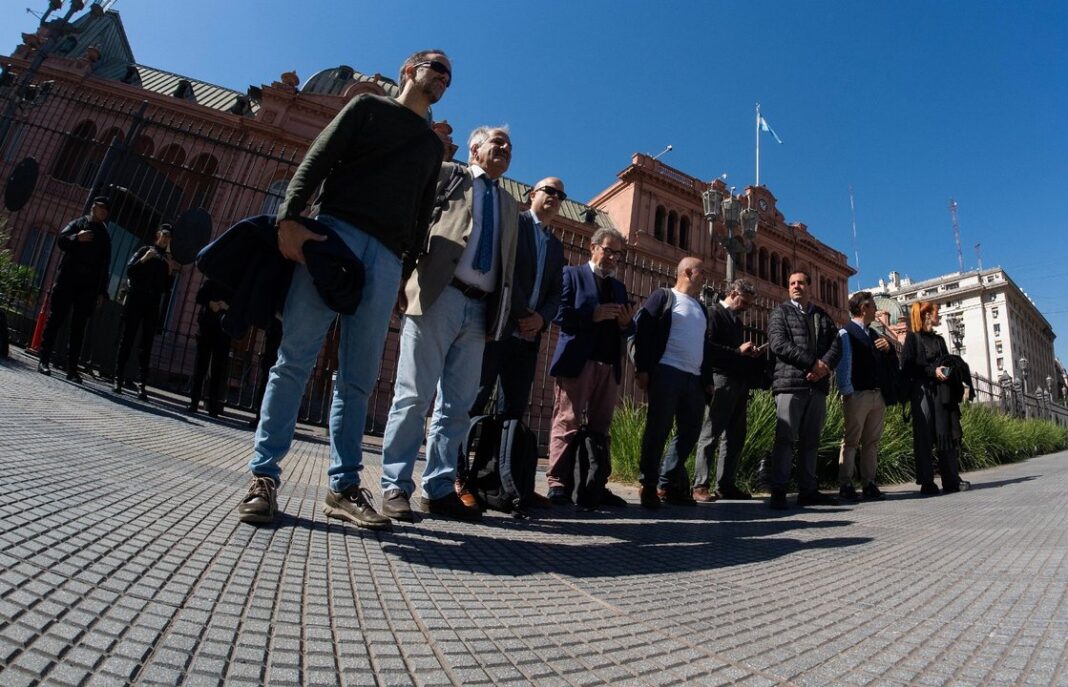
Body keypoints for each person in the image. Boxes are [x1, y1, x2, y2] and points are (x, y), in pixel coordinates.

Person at [236, 50, 450, 529]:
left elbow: (420, 215)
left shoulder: (432, 147)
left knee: (357, 379)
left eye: (448, 76)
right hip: (335, 236)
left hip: (388, 258)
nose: (442, 77)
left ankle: (344, 486)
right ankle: (263, 477)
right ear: (409, 69)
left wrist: (407, 271)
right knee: (294, 359)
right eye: (436, 66)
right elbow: (317, 160)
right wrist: (291, 219)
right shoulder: (367, 109)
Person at [378, 125, 519, 523]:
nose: (505, 149)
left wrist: (502, 314)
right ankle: (394, 486)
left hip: (480, 310)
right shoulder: (449, 175)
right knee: (413, 395)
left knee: (457, 406)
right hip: (439, 295)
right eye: (498, 143)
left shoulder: (510, 205)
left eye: (510, 146)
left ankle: (439, 488)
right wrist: (401, 281)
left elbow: (509, 267)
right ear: (475, 149)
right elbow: (414, 222)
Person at [544, 228, 636, 505]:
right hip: (578, 361)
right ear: (592, 247)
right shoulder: (571, 275)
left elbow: (628, 328)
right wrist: (591, 315)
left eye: (617, 254)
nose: (612, 258)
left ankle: (595, 483)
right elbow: (559, 314)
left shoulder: (619, 287)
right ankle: (557, 482)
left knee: (601, 427)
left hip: (609, 365)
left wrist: (625, 324)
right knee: (567, 421)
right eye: (608, 250)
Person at [471, 177, 565, 420]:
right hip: (500, 326)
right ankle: (457, 458)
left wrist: (541, 319)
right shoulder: (514, 222)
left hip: (529, 339)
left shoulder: (556, 245)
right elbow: (505, 268)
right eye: (549, 191)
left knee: (513, 409)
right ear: (532, 194)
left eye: (560, 196)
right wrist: (523, 314)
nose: (555, 198)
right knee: (476, 396)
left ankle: (496, 459)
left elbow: (556, 291)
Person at [631, 257, 709, 509]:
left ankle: (667, 483)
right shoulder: (663, 297)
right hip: (667, 371)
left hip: (694, 378)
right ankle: (649, 484)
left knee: (690, 432)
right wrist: (642, 368)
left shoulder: (701, 308)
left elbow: (703, 346)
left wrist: (706, 380)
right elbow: (642, 330)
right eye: (701, 272)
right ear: (687, 272)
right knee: (658, 429)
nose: (705, 277)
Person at [766, 269, 842, 509]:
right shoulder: (781, 312)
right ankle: (779, 489)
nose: (796, 286)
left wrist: (824, 367)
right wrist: (812, 363)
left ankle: (808, 489)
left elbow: (836, 344)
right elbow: (779, 344)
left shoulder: (821, 315)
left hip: (816, 386)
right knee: (785, 438)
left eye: (800, 283)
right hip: (790, 385)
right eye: (792, 283)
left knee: (811, 440)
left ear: (810, 287)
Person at [682, 278, 761, 503]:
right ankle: (700, 484)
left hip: (738, 380)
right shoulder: (713, 314)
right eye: (745, 303)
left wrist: (745, 353)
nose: (747, 308)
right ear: (734, 294)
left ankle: (725, 484)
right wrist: (737, 350)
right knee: (711, 432)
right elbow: (707, 348)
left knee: (735, 436)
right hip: (720, 378)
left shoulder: (736, 322)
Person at [37, 196, 113, 382]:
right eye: (100, 207)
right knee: (56, 319)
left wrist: (102, 291)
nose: (102, 212)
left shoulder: (104, 236)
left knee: (78, 328)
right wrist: (76, 238)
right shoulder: (78, 223)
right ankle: (44, 360)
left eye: (106, 210)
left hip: (88, 286)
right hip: (68, 279)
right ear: (93, 207)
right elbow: (61, 240)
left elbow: (105, 266)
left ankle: (72, 369)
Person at [901, 301, 972, 495]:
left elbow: (947, 360)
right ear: (926, 316)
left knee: (946, 432)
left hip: (942, 392)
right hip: (922, 390)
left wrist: (950, 369)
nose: (938, 315)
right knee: (924, 435)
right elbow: (908, 366)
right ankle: (926, 482)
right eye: (936, 312)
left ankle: (951, 480)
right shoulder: (912, 338)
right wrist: (933, 371)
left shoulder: (939, 341)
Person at [834, 291, 898, 501]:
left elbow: (890, 364)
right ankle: (846, 483)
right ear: (863, 309)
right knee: (851, 440)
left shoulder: (874, 335)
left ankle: (869, 483)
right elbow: (843, 365)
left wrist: (889, 349)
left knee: (871, 441)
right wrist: (847, 391)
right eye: (872, 306)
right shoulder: (847, 332)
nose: (876, 310)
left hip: (877, 395)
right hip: (857, 394)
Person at [113, 224, 177, 399]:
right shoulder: (144, 250)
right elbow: (130, 271)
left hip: (152, 304)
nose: (165, 239)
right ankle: (118, 378)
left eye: (169, 237)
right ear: (158, 235)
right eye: (164, 235)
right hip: (135, 300)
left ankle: (141, 384)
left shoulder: (166, 260)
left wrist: (170, 273)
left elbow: (166, 289)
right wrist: (144, 259)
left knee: (146, 345)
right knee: (127, 339)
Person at [189, 278, 232, 417]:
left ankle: (213, 406)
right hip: (207, 326)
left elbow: (240, 306)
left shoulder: (236, 283)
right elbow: (199, 296)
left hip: (223, 330)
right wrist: (210, 303)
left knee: (217, 370)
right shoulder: (213, 277)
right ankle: (194, 401)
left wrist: (227, 307)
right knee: (200, 366)